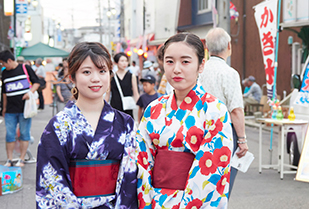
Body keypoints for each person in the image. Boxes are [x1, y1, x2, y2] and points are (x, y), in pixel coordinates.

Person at [136, 33, 233, 208]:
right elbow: (142, 159)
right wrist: (148, 201)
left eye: (185, 61)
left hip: (196, 200)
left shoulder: (215, 110)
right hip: (155, 200)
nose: (176, 69)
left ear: (201, 65)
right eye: (170, 61)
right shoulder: (153, 109)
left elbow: (212, 168)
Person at [36, 42, 137, 208]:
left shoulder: (125, 123)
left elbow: (130, 176)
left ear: (109, 75)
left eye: (102, 71)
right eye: (86, 72)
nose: (95, 78)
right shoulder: (59, 125)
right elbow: (50, 179)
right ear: (72, 77)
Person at [198, 27, 248, 198]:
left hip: (198, 129)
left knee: (201, 180)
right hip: (224, 133)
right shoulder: (230, 73)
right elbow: (236, 110)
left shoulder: (199, 71)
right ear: (229, 46)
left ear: (207, 47)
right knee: (224, 182)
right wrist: (241, 139)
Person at [0, 50, 40, 167]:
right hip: (10, 110)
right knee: (10, 135)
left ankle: (21, 159)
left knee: (24, 133)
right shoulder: (4, 73)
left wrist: (30, 92)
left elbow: (37, 82)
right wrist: (4, 107)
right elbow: (5, 92)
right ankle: (10, 159)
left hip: (25, 109)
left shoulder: (25, 68)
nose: (2, 66)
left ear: (9, 60)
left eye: (3, 63)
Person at [105, 52, 139, 118]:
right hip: (115, 107)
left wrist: (140, 105)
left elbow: (136, 93)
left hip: (127, 107)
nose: (124, 63)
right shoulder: (111, 77)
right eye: (122, 61)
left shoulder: (131, 76)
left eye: (126, 61)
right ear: (116, 62)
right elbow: (107, 94)